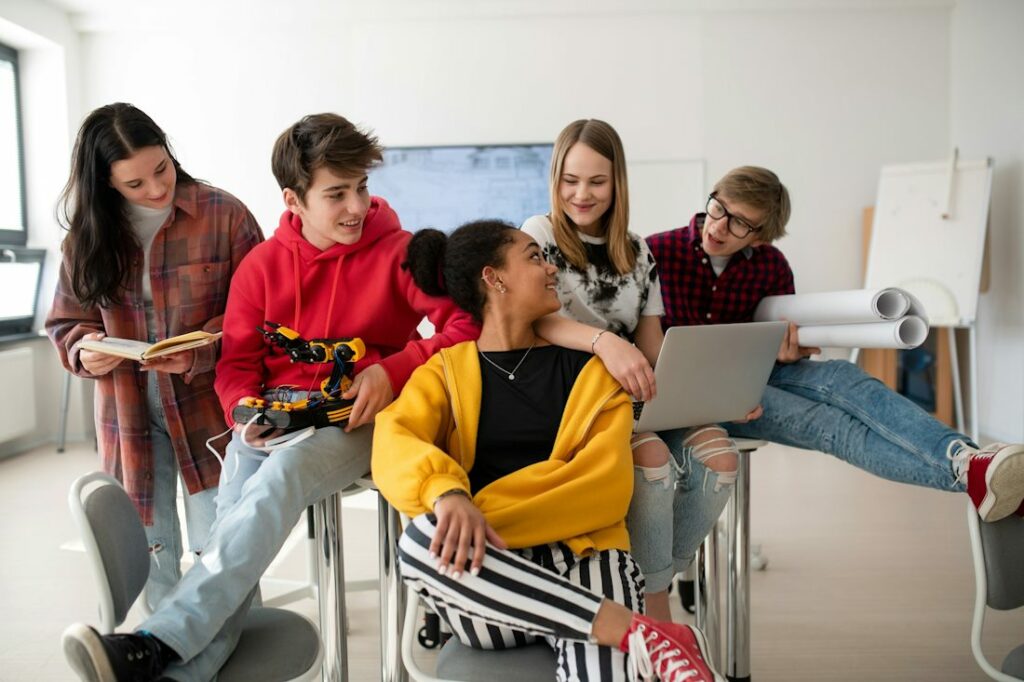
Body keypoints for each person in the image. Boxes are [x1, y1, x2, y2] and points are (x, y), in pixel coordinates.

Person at [61, 113, 479, 682]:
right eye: (337, 194)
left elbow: (466, 328)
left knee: (280, 479)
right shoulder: (260, 267)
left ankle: (149, 642)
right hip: (275, 421)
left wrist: (396, 369)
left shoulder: (401, 253)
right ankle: (169, 666)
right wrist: (242, 409)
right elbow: (236, 363)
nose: (356, 206)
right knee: (231, 526)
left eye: (361, 188)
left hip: (359, 421)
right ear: (294, 199)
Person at [374, 219, 725, 682]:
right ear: (493, 278)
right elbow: (393, 443)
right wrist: (449, 496)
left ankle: (622, 630)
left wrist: (478, 509)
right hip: (493, 577)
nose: (552, 268)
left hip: (585, 558)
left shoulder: (594, 373)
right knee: (421, 540)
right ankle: (637, 629)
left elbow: (603, 490)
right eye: (535, 257)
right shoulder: (443, 373)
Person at [645, 165, 1024, 573]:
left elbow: (776, 343)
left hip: (754, 374)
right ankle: (970, 475)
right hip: (698, 395)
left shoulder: (770, 264)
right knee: (830, 426)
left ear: (760, 234)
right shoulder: (657, 251)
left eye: (739, 224)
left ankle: (965, 458)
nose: (719, 226)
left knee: (843, 378)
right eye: (718, 208)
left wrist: (788, 352)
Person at [520, 119, 749, 621]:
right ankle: (656, 610)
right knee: (652, 464)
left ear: (617, 182)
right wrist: (604, 343)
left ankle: (652, 580)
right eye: (570, 180)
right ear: (555, 178)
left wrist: (715, 395)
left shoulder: (637, 249)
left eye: (597, 182)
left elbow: (652, 345)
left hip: (636, 392)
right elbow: (539, 321)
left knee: (721, 459)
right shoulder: (537, 235)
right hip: (577, 395)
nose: (582, 194)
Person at [46, 103, 264, 610]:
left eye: (160, 170)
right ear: (106, 183)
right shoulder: (86, 238)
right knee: (151, 552)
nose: (156, 190)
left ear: (169, 150)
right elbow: (64, 323)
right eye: (135, 184)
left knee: (224, 546)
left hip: (208, 404)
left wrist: (197, 353)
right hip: (127, 411)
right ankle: (165, 656)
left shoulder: (224, 214)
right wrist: (84, 349)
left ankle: (238, 653)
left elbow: (261, 315)